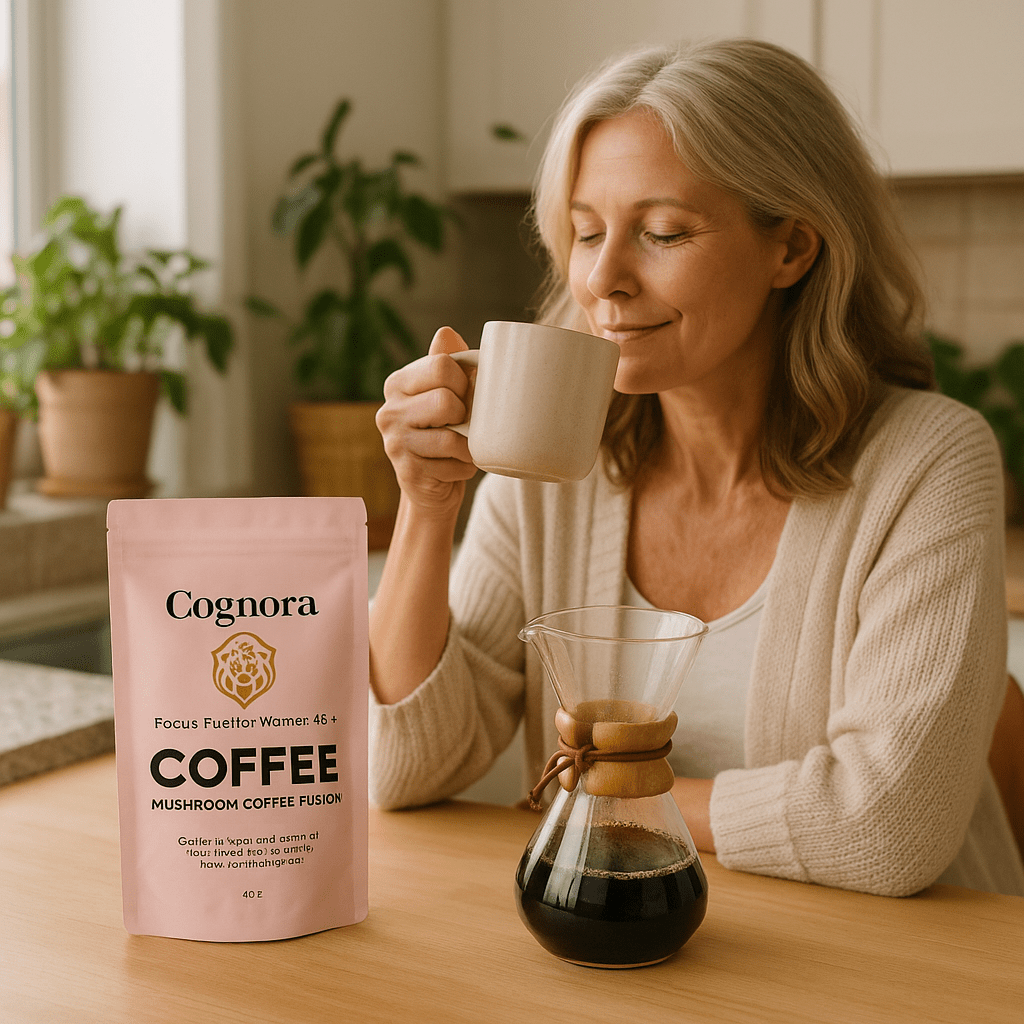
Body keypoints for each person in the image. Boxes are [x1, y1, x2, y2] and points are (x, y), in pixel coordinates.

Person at [368, 38, 1024, 898]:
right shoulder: (555, 467)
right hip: (636, 953)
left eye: (663, 232)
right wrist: (425, 505)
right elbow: (402, 770)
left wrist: (613, 787)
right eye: (587, 230)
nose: (604, 278)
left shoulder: (928, 462)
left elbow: (887, 830)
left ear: (791, 249)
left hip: (902, 973)